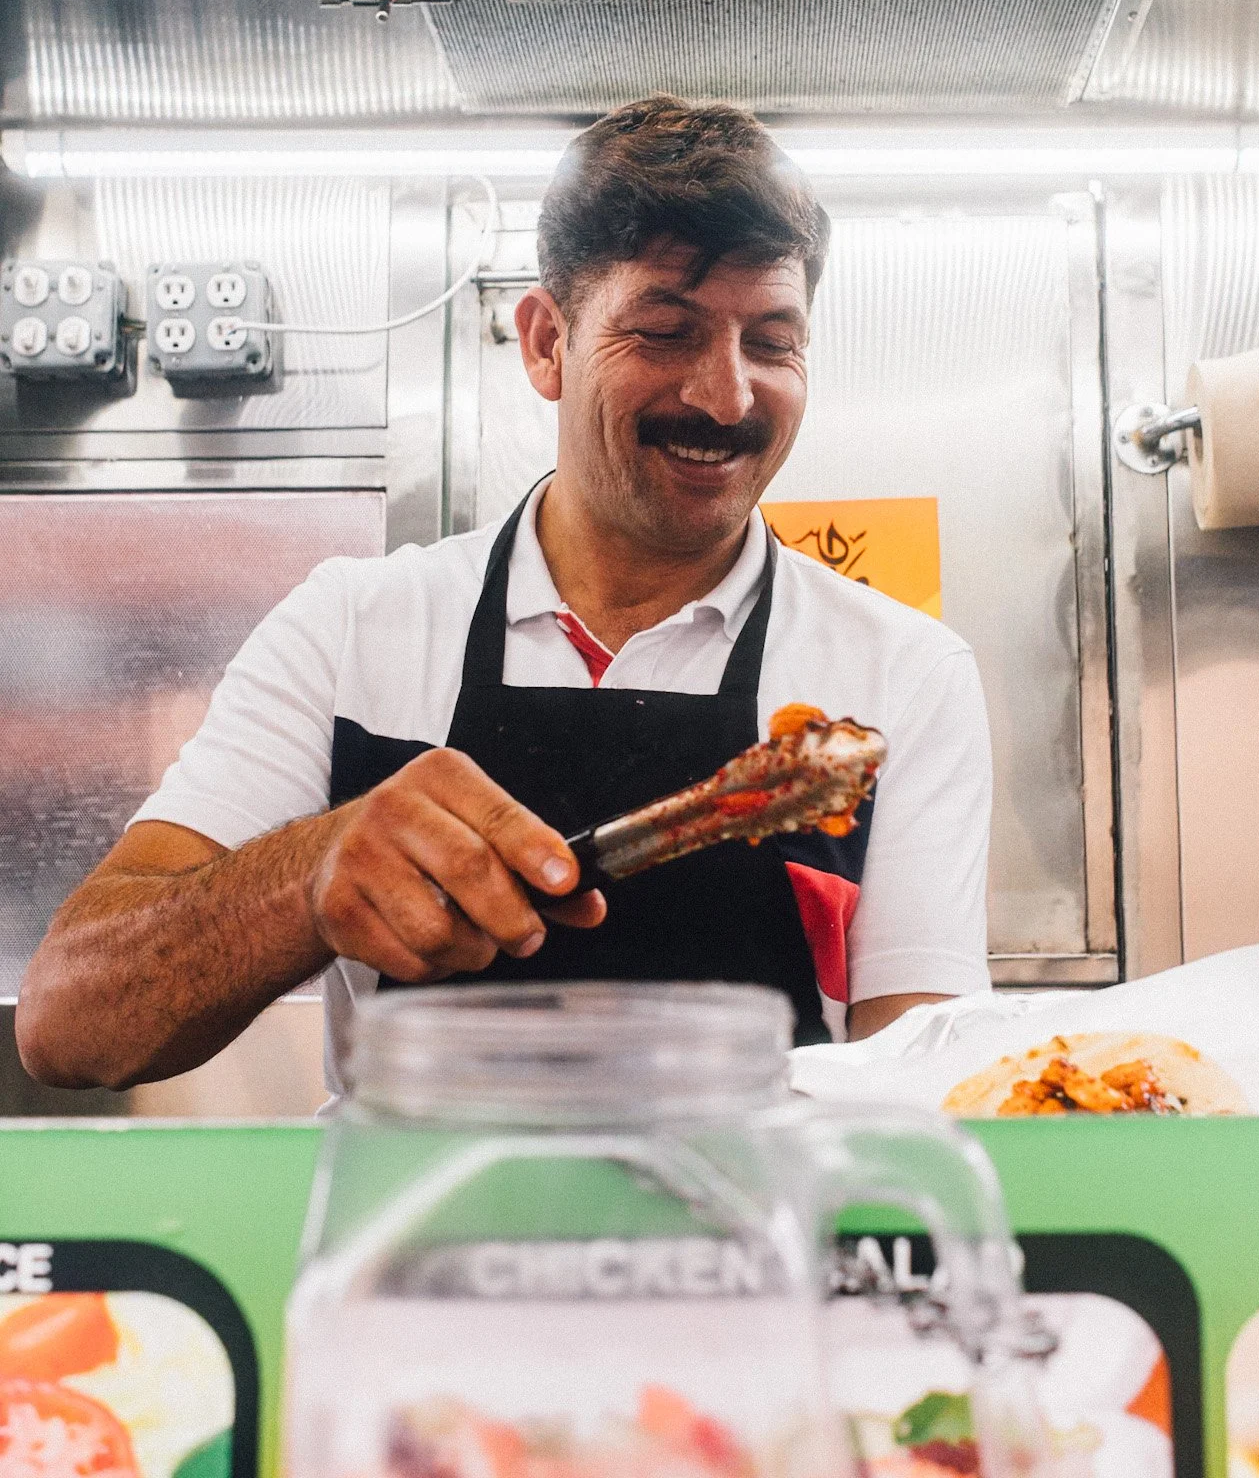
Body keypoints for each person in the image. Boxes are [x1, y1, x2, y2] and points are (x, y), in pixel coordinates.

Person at [17, 97, 992, 1096]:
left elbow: (921, 1086)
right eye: (666, 330)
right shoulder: (354, 629)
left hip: (748, 1241)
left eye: (772, 343)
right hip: (426, 1239)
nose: (727, 395)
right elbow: (71, 1025)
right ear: (545, 341)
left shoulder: (900, 674)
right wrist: (307, 879)